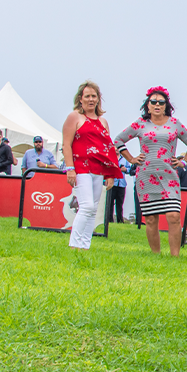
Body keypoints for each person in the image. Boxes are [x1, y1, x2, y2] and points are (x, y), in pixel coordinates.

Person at [114, 86, 187, 257]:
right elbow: (118, 140)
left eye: (161, 102)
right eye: (153, 102)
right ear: (148, 105)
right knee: (151, 218)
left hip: (169, 176)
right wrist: (131, 159)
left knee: (174, 216)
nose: (157, 105)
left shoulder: (175, 124)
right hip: (146, 176)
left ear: (167, 105)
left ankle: (175, 256)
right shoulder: (140, 124)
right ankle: (156, 255)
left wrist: (184, 160)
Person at [61, 81, 122, 250]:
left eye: (93, 96)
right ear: (80, 99)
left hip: (98, 170)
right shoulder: (74, 117)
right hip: (81, 168)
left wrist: (110, 174)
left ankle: (84, 245)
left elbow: (107, 149)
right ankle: (74, 244)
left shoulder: (103, 121)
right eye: (87, 96)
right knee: (86, 205)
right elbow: (67, 144)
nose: (90, 99)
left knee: (93, 209)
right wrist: (69, 169)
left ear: (98, 99)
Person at [107, 157, 131, 224]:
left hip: (121, 185)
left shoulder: (124, 159)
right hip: (112, 184)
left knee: (120, 204)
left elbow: (130, 169)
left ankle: (120, 221)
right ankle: (109, 221)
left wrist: (125, 169)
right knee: (110, 204)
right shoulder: (110, 157)